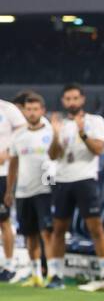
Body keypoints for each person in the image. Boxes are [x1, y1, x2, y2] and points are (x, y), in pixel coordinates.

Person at [46, 84, 104, 290]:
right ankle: (56, 275)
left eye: (75, 98)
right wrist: (56, 135)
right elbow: (52, 155)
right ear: (63, 101)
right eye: (68, 99)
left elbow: (98, 149)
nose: (72, 102)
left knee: (95, 227)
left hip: (85, 179)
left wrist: (83, 132)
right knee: (58, 229)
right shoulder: (59, 124)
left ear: (82, 99)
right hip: (62, 180)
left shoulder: (95, 121)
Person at [4, 93, 56, 287]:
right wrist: (9, 191)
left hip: (44, 190)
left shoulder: (51, 131)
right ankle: (36, 275)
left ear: (42, 110)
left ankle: (53, 273)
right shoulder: (18, 135)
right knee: (30, 235)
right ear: (24, 111)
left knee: (47, 232)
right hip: (23, 191)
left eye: (36, 109)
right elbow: (13, 164)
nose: (32, 113)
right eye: (28, 109)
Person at [0, 92, 27, 282]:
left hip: (2, 173)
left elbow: (24, 132)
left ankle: (9, 265)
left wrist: (8, 152)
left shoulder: (8, 109)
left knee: (4, 220)